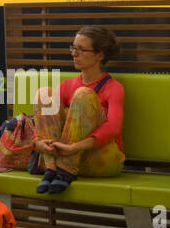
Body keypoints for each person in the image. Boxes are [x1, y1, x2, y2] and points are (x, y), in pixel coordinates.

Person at [31, 26, 126, 195]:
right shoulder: (66, 86)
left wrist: (74, 147)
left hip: (102, 160)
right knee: (44, 94)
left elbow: (114, 127)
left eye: (81, 50)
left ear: (100, 55)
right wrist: (39, 143)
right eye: (73, 48)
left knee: (83, 95)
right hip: (63, 161)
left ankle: (65, 169)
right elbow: (47, 122)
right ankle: (51, 169)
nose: (74, 54)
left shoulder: (114, 88)